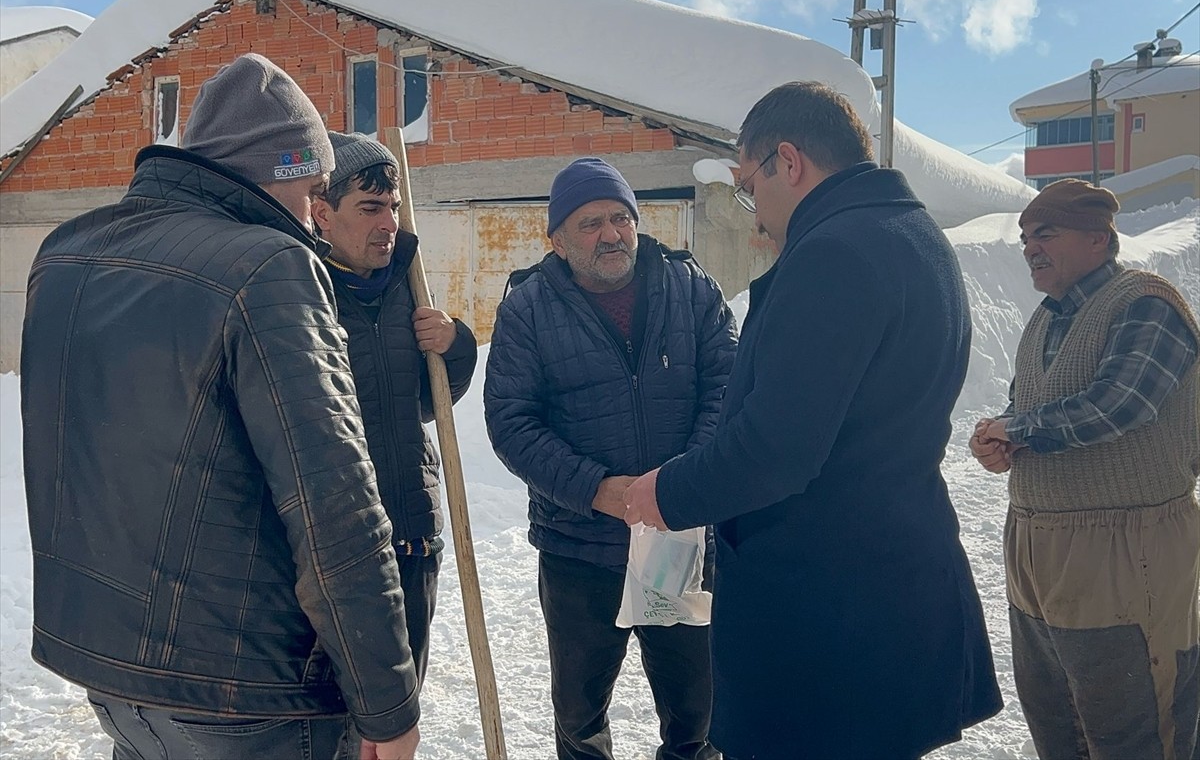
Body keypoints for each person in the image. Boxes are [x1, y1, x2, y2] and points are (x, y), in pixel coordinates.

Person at [21, 54, 419, 760]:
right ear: (285, 169)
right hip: (249, 696)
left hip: (112, 678)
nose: (314, 213)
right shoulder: (268, 265)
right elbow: (336, 509)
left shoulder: (65, 254)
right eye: (313, 188)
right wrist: (388, 708)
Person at [623, 81, 1003, 760]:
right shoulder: (913, 237)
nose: (754, 214)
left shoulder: (835, 255)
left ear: (788, 162)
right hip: (891, 596)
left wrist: (669, 492)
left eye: (749, 186)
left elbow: (777, 447)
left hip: (832, 624)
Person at [484, 157, 737, 760]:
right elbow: (512, 423)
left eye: (620, 217)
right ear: (559, 239)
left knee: (696, 714)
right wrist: (599, 489)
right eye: (591, 222)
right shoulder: (528, 308)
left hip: (678, 538)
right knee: (579, 718)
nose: (610, 234)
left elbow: (728, 387)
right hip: (580, 548)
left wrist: (683, 485)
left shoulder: (689, 287)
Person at [970, 178, 1199, 760]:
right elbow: (1027, 408)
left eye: (1045, 233)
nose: (1029, 247)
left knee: (1136, 731)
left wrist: (1017, 430)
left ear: (1100, 239)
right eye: (1023, 237)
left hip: (1127, 554)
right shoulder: (1046, 319)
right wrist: (1001, 439)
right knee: (1059, 726)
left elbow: (1121, 403)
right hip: (1037, 556)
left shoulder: (1146, 303)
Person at [311, 132, 478, 757]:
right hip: (340, 549)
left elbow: (427, 405)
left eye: (394, 207)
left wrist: (452, 346)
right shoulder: (305, 294)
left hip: (413, 533)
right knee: (336, 723)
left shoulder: (411, 286)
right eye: (370, 208)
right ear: (323, 213)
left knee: (398, 716)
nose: (388, 223)